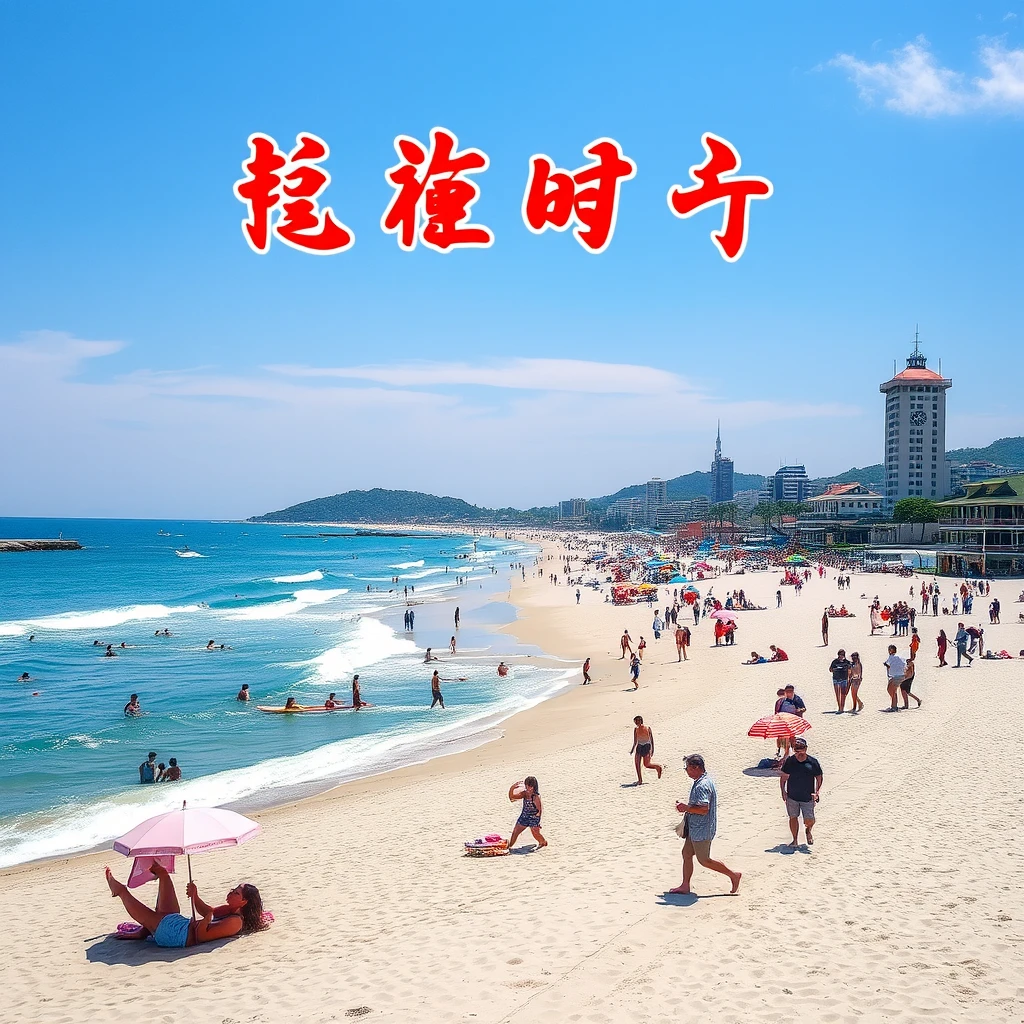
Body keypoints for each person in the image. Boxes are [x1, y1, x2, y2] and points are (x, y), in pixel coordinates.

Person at [105, 864, 266, 947]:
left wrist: (207, 918)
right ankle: (146, 929)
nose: (231, 893)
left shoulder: (234, 922)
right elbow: (206, 911)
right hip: (182, 925)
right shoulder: (229, 909)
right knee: (163, 874)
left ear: (244, 902)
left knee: (152, 914)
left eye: (236, 893)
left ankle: (119, 891)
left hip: (177, 937)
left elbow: (201, 936)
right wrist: (195, 896)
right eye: (233, 890)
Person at [669, 754, 741, 895]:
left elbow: (703, 809)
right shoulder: (703, 780)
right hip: (696, 828)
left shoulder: (702, 785)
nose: (686, 771)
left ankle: (733, 875)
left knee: (704, 860)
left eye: (687, 768)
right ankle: (685, 885)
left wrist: (686, 807)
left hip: (702, 829)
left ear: (696, 768)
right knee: (687, 853)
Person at [780, 737, 823, 846]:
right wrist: (783, 792)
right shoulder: (790, 761)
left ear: (806, 748)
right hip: (792, 796)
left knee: (809, 820)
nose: (799, 751)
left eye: (801, 749)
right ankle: (795, 840)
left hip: (808, 797)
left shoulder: (812, 762)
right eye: (796, 749)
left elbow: (819, 777)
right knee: (793, 817)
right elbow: (784, 777)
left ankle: (808, 830)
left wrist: (817, 792)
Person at [507, 777, 546, 850]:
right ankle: (509, 846)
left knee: (535, 833)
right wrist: (512, 789)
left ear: (533, 787)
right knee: (515, 831)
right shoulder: (524, 794)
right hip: (524, 816)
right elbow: (512, 799)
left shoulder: (535, 797)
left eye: (530, 786)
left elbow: (539, 810)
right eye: (526, 785)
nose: (528, 788)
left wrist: (537, 823)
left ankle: (543, 842)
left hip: (534, 817)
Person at [630, 716, 663, 784]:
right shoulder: (635, 729)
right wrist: (632, 749)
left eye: (638, 721)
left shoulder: (647, 728)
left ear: (641, 720)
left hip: (646, 746)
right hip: (639, 746)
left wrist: (652, 749)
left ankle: (658, 767)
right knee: (637, 763)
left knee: (646, 764)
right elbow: (635, 741)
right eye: (635, 721)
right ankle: (640, 780)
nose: (636, 722)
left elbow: (651, 739)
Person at [883, 645, 905, 711]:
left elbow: (888, 664)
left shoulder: (891, 657)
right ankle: (894, 704)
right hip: (901, 675)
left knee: (891, 690)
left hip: (896, 676)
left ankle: (894, 706)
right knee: (892, 690)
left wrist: (886, 665)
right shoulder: (899, 657)